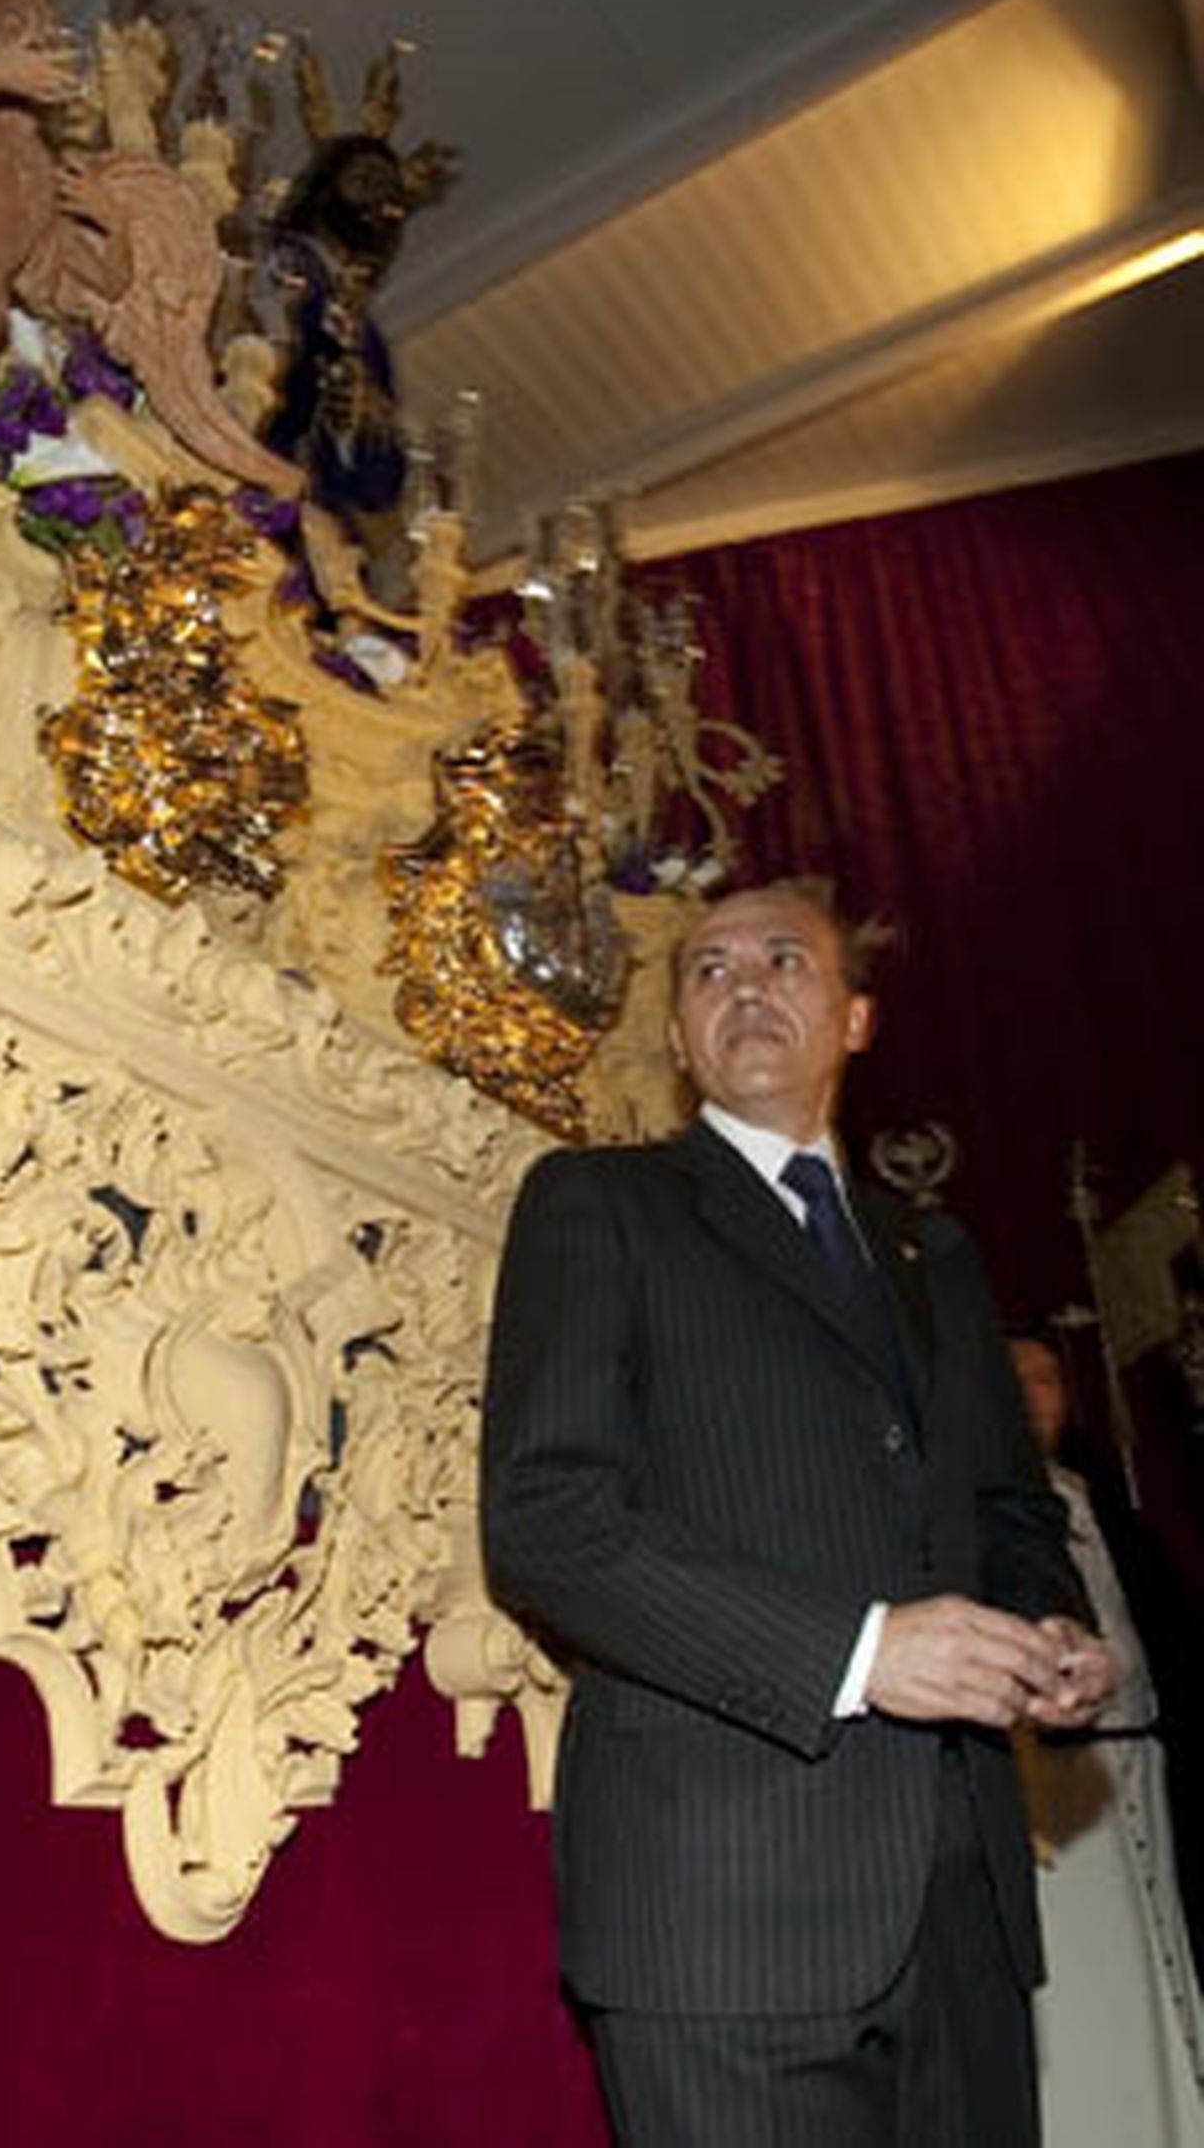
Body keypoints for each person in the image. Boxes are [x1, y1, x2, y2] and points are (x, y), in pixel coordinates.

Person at [480, 876, 1118, 2146]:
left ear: (857, 1018)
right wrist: (863, 1650)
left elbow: (1008, 1508)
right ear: (673, 1040)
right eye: (707, 970)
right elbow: (546, 1519)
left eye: (785, 959)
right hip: (721, 1916)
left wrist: (1049, 1630)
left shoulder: (937, 1253)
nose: (746, 987)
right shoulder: (596, 1203)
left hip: (963, 1914)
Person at [1009, 1332, 1204, 2144]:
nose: (1032, 1395)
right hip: (1047, 1788)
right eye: (1012, 1380)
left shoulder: (1100, 1505)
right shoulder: (984, 1518)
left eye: (1049, 1377)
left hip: (1141, 1763)